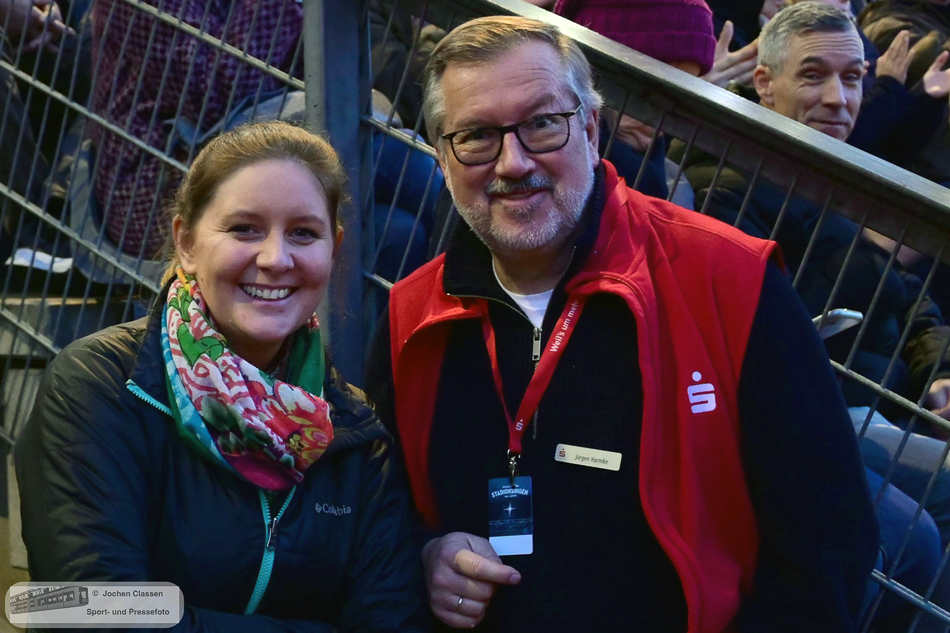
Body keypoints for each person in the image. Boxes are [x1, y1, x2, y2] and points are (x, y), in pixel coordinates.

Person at [365, 15, 878, 632]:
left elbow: (827, 546)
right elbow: (378, 520)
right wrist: (425, 554)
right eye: (475, 135)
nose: (513, 162)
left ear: (591, 128)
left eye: (542, 124)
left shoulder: (732, 281)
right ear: (442, 157)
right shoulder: (411, 315)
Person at [16, 121, 427, 632]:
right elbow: (93, 613)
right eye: (244, 229)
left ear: (334, 248)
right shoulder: (98, 387)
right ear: (186, 242)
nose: (276, 258)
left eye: (303, 233)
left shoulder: (354, 432)